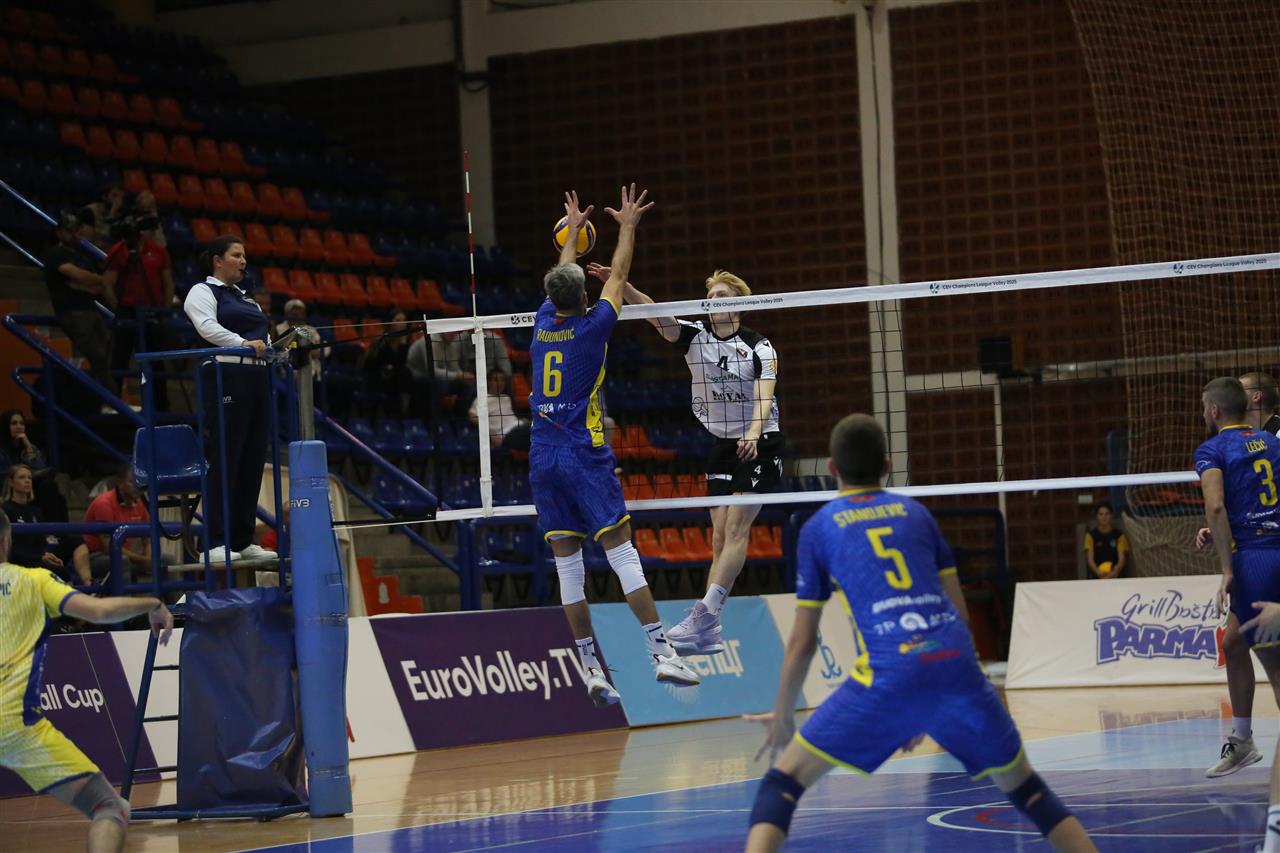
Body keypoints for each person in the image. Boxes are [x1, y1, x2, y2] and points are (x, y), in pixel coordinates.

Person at [746, 414, 1095, 852]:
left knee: (782, 783)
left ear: (832, 469)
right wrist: (925, 707)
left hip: (890, 673)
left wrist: (782, 715)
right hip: (956, 666)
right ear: (887, 466)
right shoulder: (917, 515)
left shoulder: (818, 528)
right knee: (1029, 791)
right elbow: (960, 614)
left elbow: (801, 644)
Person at [529, 186, 697, 704]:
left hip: (542, 455)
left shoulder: (541, 323)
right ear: (584, 298)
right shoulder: (593, 327)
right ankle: (662, 653)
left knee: (568, 566)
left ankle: (590, 669)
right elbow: (618, 276)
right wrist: (626, 227)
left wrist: (572, 234)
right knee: (621, 553)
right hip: (583, 453)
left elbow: (563, 277)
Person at [587, 263, 783, 654]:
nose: (713, 301)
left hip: (760, 440)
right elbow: (654, 313)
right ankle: (709, 629)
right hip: (721, 443)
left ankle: (704, 612)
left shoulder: (759, 346)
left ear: (739, 304)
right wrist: (622, 283)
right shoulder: (695, 336)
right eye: (709, 296)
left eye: (721, 296)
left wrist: (753, 432)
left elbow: (765, 395)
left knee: (736, 528)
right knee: (718, 537)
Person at [0, 509, 172, 853]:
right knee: (109, 807)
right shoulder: (33, 580)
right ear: (6, 540)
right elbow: (100, 611)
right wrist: (152, 603)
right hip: (14, 725)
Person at [1193, 377, 1280, 853]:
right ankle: (1243, 740)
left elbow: (1216, 504)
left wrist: (1227, 567)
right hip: (1272, 549)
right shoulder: (1271, 441)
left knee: (1278, 672)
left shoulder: (1212, 449)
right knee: (1232, 643)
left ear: (1212, 410)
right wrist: (1223, 530)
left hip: (1255, 564)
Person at [183, 234, 276, 564]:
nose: (243, 261)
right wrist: (241, 343)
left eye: (244, 255)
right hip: (225, 375)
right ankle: (214, 541)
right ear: (217, 260)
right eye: (236, 255)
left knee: (252, 460)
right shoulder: (202, 291)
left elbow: (263, 338)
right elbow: (206, 326)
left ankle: (241, 538)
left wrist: (275, 348)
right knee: (225, 458)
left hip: (257, 377)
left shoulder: (247, 298)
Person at [101, 202, 175, 411]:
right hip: (127, 312)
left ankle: (160, 408)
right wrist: (118, 308)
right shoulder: (119, 250)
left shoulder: (159, 252)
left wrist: (164, 310)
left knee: (156, 362)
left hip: (153, 313)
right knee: (119, 359)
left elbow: (168, 283)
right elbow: (107, 283)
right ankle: (112, 404)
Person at [41, 210, 116, 396]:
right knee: (97, 356)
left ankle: (107, 398)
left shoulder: (83, 255)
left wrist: (88, 282)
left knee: (107, 355)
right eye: (69, 230)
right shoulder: (55, 254)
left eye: (75, 230)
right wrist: (94, 280)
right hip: (72, 312)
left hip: (90, 309)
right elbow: (79, 275)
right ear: (59, 232)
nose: (73, 234)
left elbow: (97, 285)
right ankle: (107, 398)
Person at [3, 464, 90, 585]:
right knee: (61, 572)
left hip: (39, 555)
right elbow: (9, 549)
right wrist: (40, 557)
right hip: (21, 559)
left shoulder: (35, 511)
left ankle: (89, 583)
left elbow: (41, 542)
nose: (27, 481)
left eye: (29, 478)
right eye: (21, 477)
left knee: (76, 541)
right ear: (11, 482)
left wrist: (47, 554)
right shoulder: (5, 510)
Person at [82, 464, 166, 583]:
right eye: (132, 482)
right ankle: (126, 595)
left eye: (140, 482)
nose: (137, 487)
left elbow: (148, 540)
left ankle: (175, 596)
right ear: (120, 482)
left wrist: (150, 558)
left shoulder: (140, 503)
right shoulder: (104, 504)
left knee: (167, 560)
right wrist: (143, 560)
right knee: (122, 561)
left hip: (126, 555)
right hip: (96, 556)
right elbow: (109, 547)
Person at [0, 409, 67, 522]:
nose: (19, 426)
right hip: (8, 486)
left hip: (29, 485)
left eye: (22, 423)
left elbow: (40, 468)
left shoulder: (29, 448)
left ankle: (56, 531)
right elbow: (3, 476)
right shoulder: (1, 450)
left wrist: (28, 445)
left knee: (53, 491)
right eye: (14, 423)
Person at [362, 308, 413, 417]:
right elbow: (384, 363)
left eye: (404, 320)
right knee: (403, 376)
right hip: (377, 376)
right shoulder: (382, 340)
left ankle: (407, 414)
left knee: (407, 376)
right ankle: (402, 413)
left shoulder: (406, 341)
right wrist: (402, 345)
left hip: (395, 377)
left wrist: (403, 344)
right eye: (398, 320)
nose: (402, 323)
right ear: (390, 323)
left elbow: (402, 364)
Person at [469, 367, 526, 449]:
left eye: (502, 380)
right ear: (489, 382)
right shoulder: (482, 399)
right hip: (504, 433)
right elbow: (472, 416)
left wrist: (522, 421)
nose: (500, 383)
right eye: (496, 380)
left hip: (519, 427)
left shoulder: (507, 398)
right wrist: (490, 432)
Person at [1083, 502, 1128, 579]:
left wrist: (1115, 572)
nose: (1104, 517)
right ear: (1097, 517)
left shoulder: (1120, 536)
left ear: (1111, 516)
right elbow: (1090, 560)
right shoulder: (1090, 536)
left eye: (1107, 514)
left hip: (1115, 576)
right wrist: (1099, 573)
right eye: (1101, 514)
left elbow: (1122, 559)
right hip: (1097, 576)